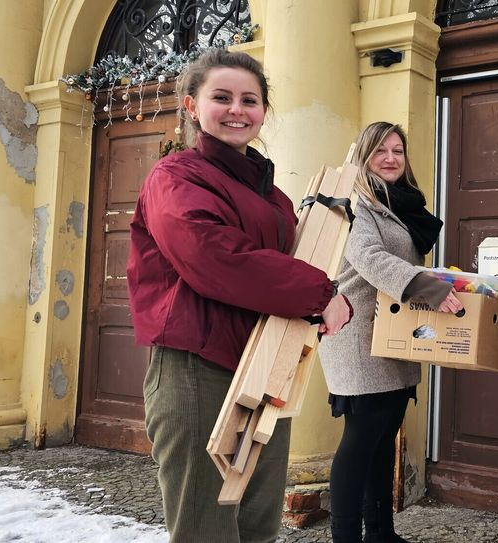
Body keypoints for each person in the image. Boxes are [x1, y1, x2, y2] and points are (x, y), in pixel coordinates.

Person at [127, 49, 352, 543]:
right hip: (198, 369)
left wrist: (329, 298)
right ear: (192, 106)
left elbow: (294, 268)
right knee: (206, 531)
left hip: (267, 366)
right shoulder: (175, 177)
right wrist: (320, 292)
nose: (237, 109)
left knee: (258, 526)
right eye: (221, 97)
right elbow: (216, 258)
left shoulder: (274, 197)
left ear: (264, 112)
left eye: (249, 99)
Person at [319, 122, 462, 543]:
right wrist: (429, 288)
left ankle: (381, 532)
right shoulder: (356, 203)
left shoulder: (396, 205)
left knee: (383, 443)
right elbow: (368, 256)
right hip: (358, 337)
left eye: (398, 150)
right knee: (360, 444)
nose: (390, 158)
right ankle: (345, 537)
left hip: (393, 337)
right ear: (362, 155)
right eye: (380, 150)